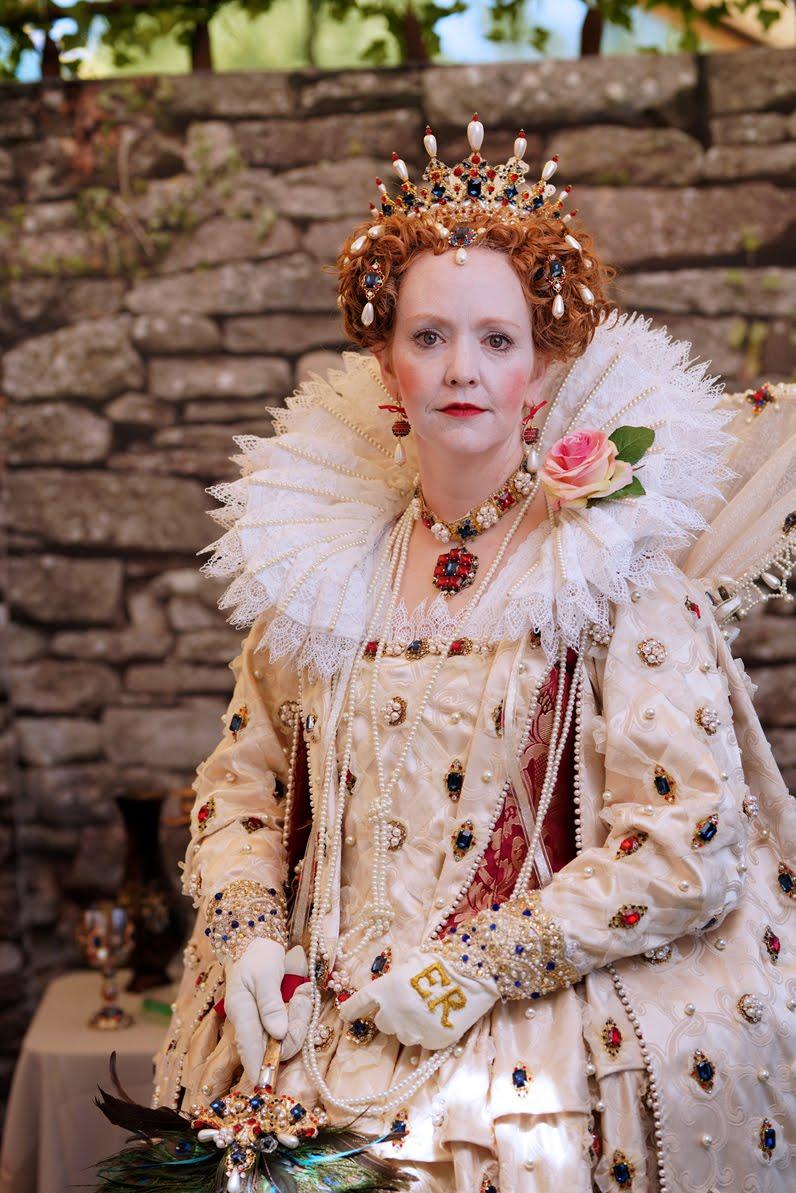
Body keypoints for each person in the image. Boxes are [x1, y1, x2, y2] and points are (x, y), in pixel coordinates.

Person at [153, 116, 796, 1191]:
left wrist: (472, 971)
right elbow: (242, 785)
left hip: (527, 1053)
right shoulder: (329, 573)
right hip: (309, 1035)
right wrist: (252, 935)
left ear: (539, 369)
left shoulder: (612, 578)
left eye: (496, 340)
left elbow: (685, 839)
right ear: (385, 361)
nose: (463, 369)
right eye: (430, 336)